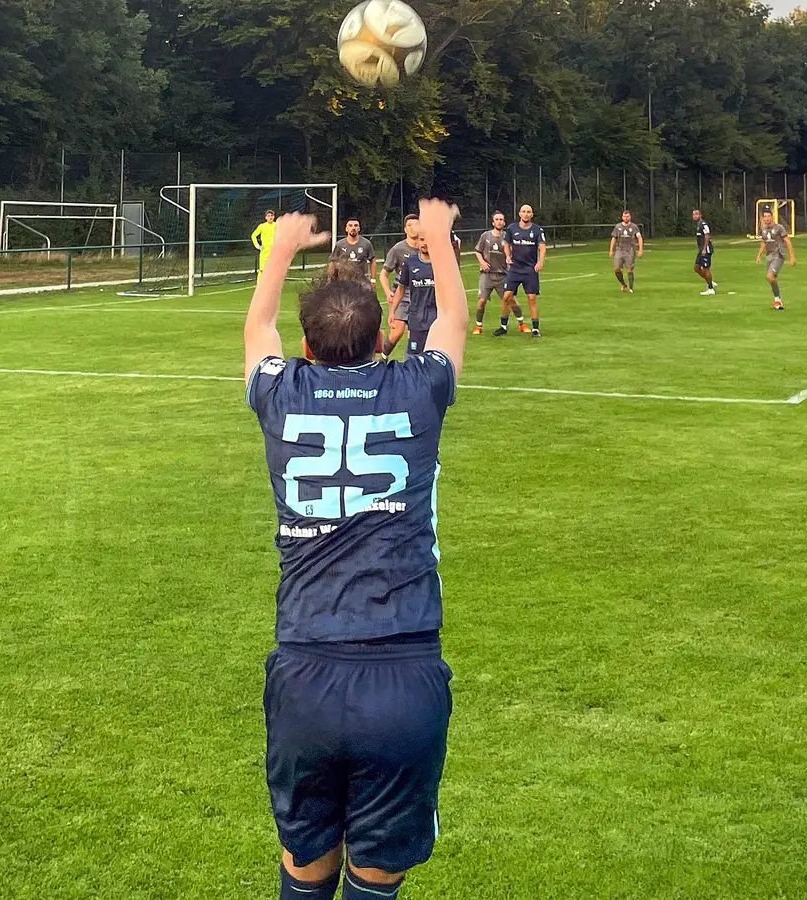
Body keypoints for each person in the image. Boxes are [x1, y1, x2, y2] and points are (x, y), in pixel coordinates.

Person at [241, 198, 466, 900]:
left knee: (305, 871)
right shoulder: (417, 385)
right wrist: (438, 238)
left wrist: (279, 250)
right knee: (376, 880)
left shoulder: (281, 392)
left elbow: (257, 326)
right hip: (401, 671)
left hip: (305, 669)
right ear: (384, 341)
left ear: (306, 348)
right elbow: (454, 321)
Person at [472, 211, 527, 335]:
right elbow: (477, 251)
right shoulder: (485, 236)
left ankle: (522, 324)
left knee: (511, 300)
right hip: (487, 275)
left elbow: (514, 253)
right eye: (497, 219)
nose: (499, 221)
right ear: (493, 222)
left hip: (503, 275)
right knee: (481, 301)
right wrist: (482, 263)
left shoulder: (508, 237)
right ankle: (478, 326)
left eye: (501, 219)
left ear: (504, 222)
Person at [390, 228, 439, 356]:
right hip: (416, 318)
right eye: (422, 240)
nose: (425, 243)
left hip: (436, 319)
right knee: (413, 357)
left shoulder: (439, 263)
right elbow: (401, 288)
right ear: (417, 241)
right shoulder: (410, 263)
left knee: (433, 356)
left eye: (428, 240)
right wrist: (392, 311)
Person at [380, 214, 423, 353]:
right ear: (405, 229)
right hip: (402, 296)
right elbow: (384, 274)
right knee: (396, 333)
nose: (412, 228)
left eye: (415, 224)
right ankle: (384, 358)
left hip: (419, 296)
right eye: (409, 225)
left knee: (414, 336)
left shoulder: (426, 248)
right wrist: (388, 292)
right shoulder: (398, 249)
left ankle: (410, 362)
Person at [501, 204, 545, 337]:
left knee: (531, 298)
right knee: (506, 296)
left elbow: (542, 247)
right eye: (524, 211)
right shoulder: (511, 228)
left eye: (529, 212)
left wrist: (540, 261)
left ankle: (535, 328)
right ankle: (503, 326)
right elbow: (506, 244)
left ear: (531, 215)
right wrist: (508, 256)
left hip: (530, 269)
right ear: (519, 214)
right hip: (515, 269)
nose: (526, 214)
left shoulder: (537, 230)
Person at [755, 209, 795, 311]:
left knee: (769, 276)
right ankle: (777, 300)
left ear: (772, 217)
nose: (767, 218)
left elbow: (788, 241)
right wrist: (759, 254)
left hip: (778, 255)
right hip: (769, 257)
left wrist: (792, 257)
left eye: (769, 216)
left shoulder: (779, 228)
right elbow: (764, 242)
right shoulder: (763, 229)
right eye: (765, 216)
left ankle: (777, 299)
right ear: (762, 218)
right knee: (772, 279)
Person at [331, 218, 376, 282]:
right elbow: (333, 263)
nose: (353, 228)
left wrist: (373, 279)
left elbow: (373, 261)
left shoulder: (366, 243)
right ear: (346, 229)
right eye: (350, 225)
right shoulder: (339, 245)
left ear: (359, 228)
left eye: (356, 225)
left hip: (362, 282)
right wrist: (332, 279)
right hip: (344, 282)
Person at [609, 210, 644, 293]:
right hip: (619, 250)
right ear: (622, 217)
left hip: (630, 250)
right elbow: (613, 239)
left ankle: (630, 288)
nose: (626, 218)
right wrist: (611, 250)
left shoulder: (634, 227)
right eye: (624, 216)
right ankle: (623, 284)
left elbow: (639, 238)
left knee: (629, 269)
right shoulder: (617, 227)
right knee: (616, 268)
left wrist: (640, 249)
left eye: (627, 216)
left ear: (630, 217)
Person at [692, 208, 716, 295]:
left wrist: (705, 248)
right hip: (701, 249)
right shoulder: (698, 225)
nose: (695, 216)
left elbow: (707, 235)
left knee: (706, 269)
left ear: (700, 215)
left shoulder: (703, 224)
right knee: (696, 267)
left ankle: (710, 289)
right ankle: (710, 281)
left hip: (705, 249)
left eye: (696, 214)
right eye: (694, 214)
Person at [251, 210, 278, 280]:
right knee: (262, 271)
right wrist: (257, 245)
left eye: (272, 215)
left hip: (274, 252)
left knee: (273, 271)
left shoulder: (277, 225)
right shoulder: (262, 226)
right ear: (265, 217)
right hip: (265, 252)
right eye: (268, 216)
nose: (270, 217)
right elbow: (253, 235)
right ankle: (259, 288)